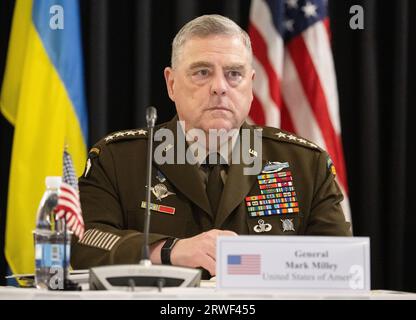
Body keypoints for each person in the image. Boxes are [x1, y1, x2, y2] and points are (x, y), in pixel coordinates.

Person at [71, 14, 351, 278]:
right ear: (171, 84)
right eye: (202, 72)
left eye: (234, 74)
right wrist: (169, 251)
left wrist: (251, 263)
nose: (219, 86)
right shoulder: (119, 159)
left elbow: (337, 262)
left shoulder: (304, 164)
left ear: (250, 85)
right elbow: (83, 241)